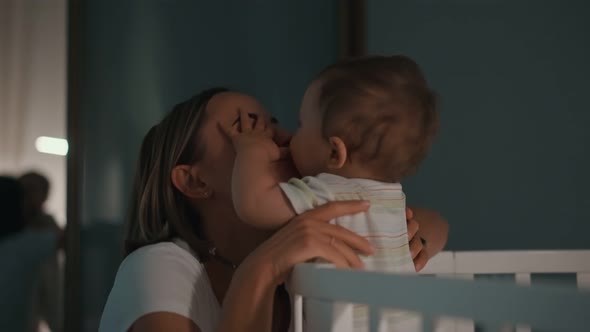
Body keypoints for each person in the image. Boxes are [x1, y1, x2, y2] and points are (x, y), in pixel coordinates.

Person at [99, 87, 448, 332]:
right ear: (194, 181)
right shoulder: (159, 266)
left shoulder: (305, 235)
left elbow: (432, 222)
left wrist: (413, 235)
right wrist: (262, 269)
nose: (282, 137)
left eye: (274, 121)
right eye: (248, 127)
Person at [226, 55, 438, 331]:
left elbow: (253, 205)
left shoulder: (328, 190)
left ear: (334, 152)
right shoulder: (392, 196)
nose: (290, 136)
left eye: (301, 125)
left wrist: (251, 149)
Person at [0, 176, 61, 332]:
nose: (29, 199)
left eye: (32, 190)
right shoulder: (27, 244)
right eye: (25, 193)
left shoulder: (36, 237)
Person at [18, 171, 62, 332]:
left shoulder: (49, 226)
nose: (27, 195)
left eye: (32, 189)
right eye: (23, 190)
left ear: (44, 195)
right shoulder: (11, 228)